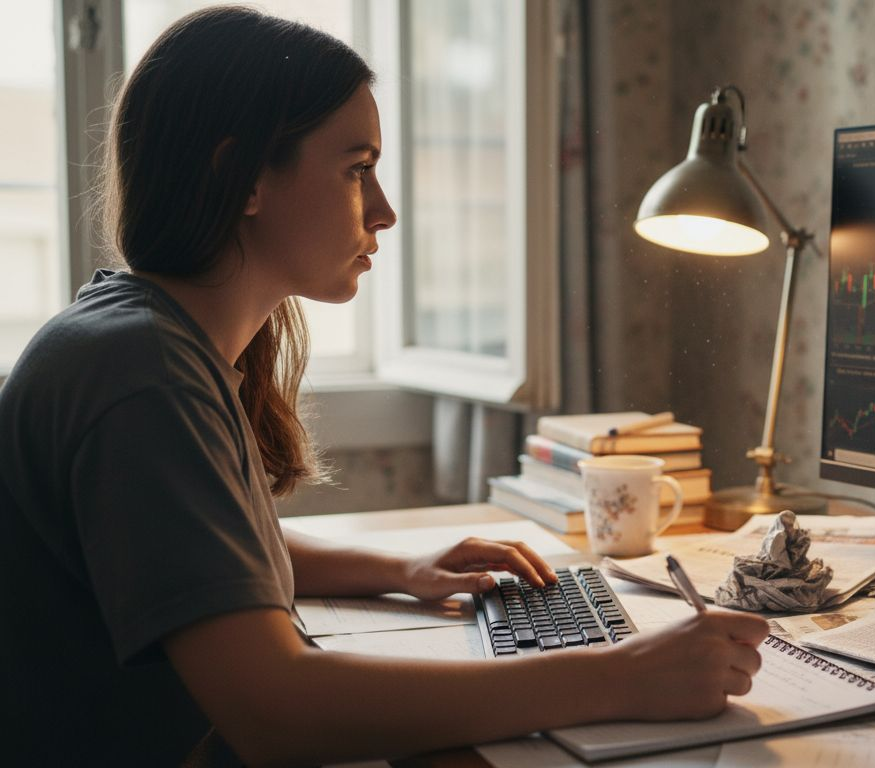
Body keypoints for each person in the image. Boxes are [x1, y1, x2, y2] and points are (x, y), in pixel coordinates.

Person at [0, 6, 768, 765]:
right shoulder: (144, 378)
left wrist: (400, 569)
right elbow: (280, 714)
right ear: (240, 179)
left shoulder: (145, 337)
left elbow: (207, 555)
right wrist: (623, 678)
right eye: (357, 169)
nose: (385, 210)